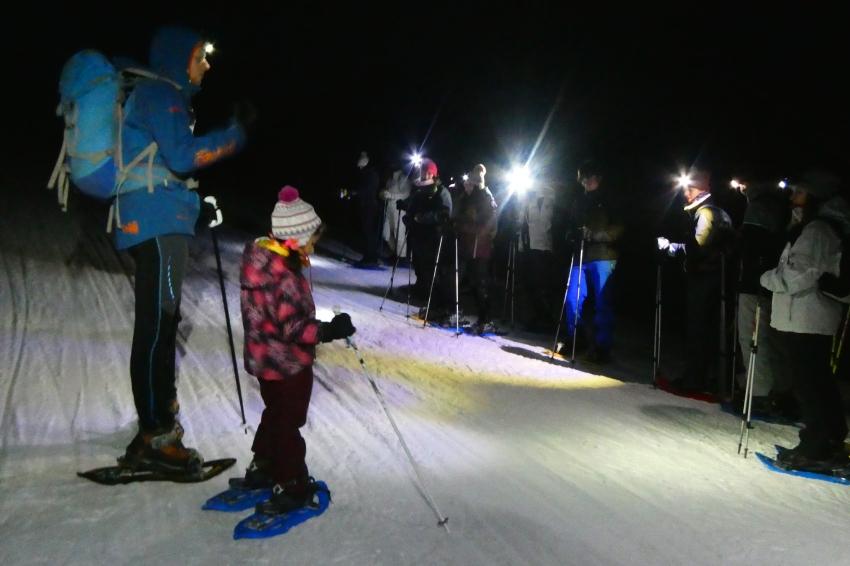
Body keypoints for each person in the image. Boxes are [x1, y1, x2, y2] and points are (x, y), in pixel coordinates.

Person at [117, 25, 247, 471]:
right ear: (179, 59)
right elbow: (181, 156)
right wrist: (233, 136)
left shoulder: (161, 96)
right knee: (156, 325)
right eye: (200, 56)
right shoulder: (163, 93)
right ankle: (154, 438)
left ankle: (159, 420)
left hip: (157, 217)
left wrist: (196, 205)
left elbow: (165, 166)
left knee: (163, 323)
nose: (206, 65)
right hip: (153, 224)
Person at [239, 186, 356, 514]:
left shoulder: (258, 264)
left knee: (274, 414)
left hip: (263, 362)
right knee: (288, 424)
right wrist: (330, 330)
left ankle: (262, 466)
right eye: (311, 239)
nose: (313, 245)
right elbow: (294, 329)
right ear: (295, 238)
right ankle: (289, 484)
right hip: (287, 365)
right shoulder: (286, 278)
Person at [760, 172, 849, 468]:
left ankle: (816, 446)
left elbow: (797, 274)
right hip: (808, 316)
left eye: (798, 192)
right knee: (817, 380)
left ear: (813, 196)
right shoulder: (816, 226)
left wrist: (765, 278)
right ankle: (830, 438)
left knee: (811, 384)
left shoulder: (817, 230)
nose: (791, 197)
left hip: (806, 316)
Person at [657, 167, 733, 392]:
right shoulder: (720, 212)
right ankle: (711, 378)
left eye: (688, 188)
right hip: (715, 279)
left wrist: (670, 248)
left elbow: (699, 248)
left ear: (699, 188)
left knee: (699, 330)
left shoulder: (707, 213)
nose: (684, 193)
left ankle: (695, 380)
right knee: (708, 331)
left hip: (704, 279)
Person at [733, 181, 795, 417]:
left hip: (756, 284)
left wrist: (734, 241)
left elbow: (754, 244)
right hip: (774, 284)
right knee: (773, 341)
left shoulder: (760, 206)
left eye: (742, 181)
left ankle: (759, 395)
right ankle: (780, 393)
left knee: (753, 338)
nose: (739, 186)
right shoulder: (780, 204)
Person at [563, 161, 624, 363]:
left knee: (603, 302)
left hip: (604, 255)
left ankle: (602, 345)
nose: (586, 181)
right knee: (572, 299)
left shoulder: (610, 198)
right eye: (582, 178)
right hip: (581, 254)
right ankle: (576, 337)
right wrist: (572, 235)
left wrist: (598, 235)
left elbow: (619, 227)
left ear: (598, 177)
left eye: (590, 177)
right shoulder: (579, 201)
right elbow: (571, 226)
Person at [438, 164, 498, 334]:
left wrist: (462, 227)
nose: (466, 186)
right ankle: (454, 311)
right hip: (465, 246)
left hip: (480, 248)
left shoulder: (486, 199)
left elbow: (486, 227)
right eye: (466, 183)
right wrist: (450, 223)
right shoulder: (466, 198)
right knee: (452, 277)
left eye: (470, 184)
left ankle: (485, 319)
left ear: (476, 184)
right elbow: (458, 217)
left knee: (479, 284)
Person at [398, 158, 452, 300]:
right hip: (418, 233)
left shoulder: (441, 191)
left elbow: (444, 213)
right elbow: (413, 204)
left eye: (424, 171)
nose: (421, 173)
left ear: (431, 174)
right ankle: (420, 286)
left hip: (433, 235)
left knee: (431, 265)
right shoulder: (420, 189)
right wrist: (404, 207)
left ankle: (433, 293)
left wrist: (423, 217)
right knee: (418, 262)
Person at [518, 181, 558, 332]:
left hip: (544, 248)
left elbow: (547, 222)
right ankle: (537, 317)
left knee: (543, 285)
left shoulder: (550, 198)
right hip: (529, 246)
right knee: (531, 284)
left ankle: (547, 319)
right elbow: (521, 220)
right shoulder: (529, 198)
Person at [352, 151, 382, 268]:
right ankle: (368, 256)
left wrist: (354, 193)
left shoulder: (371, 175)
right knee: (366, 231)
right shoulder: (367, 174)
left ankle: (370, 257)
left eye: (361, 165)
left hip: (370, 206)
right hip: (367, 205)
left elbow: (367, 191)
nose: (359, 167)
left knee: (368, 232)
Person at [380, 166, 412, 261]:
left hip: (398, 208)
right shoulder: (390, 179)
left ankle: (401, 257)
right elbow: (386, 192)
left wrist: (392, 196)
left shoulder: (402, 178)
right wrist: (383, 195)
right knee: (386, 233)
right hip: (389, 206)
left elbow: (406, 194)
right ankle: (396, 252)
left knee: (399, 232)